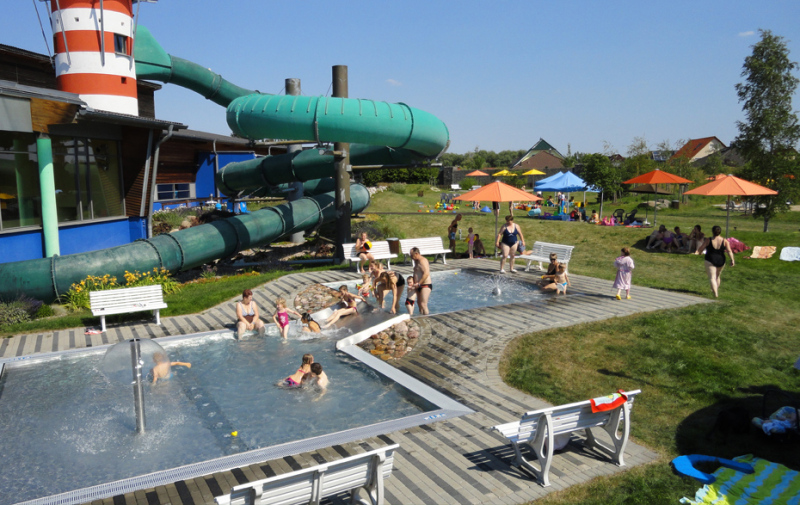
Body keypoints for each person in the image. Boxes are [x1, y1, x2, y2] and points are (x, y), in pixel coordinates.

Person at [695, 225, 735, 298]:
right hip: (721, 260)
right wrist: (732, 260)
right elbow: (729, 251)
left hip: (710, 259)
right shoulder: (724, 240)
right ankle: (715, 289)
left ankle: (715, 294)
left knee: (712, 277)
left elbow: (701, 248)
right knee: (717, 276)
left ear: (712, 231)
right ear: (720, 232)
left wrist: (700, 252)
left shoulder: (708, 240)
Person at [409, 247, 432, 315]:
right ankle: (422, 319)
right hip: (418, 285)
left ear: (416, 253)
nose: (410, 257)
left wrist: (419, 283)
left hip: (425, 285)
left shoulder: (423, 260)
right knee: (419, 304)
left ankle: (427, 320)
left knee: (423, 304)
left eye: (411, 255)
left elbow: (426, 273)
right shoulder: (416, 261)